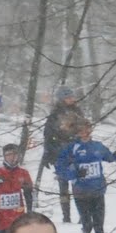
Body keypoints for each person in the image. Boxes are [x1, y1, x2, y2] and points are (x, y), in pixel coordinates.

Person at [54, 123, 116, 233]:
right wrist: (74, 174)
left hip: (98, 192)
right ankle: (85, 231)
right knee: (88, 223)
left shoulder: (97, 146)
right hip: (81, 193)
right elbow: (59, 167)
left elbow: (109, 157)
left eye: (87, 129)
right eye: (82, 130)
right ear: (77, 132)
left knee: (99, 229)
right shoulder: (71, 148)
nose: (85, 132)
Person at [40, 87, 89, 222]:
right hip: (60, 154)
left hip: (76, 153)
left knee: (78, 185)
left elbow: (85, 131)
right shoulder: (55, 114)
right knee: (63, 186)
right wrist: (47, 153)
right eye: (68, 97)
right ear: (62, 99)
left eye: (72, 97)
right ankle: (66, 216)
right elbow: (48, 135)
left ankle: (82, 215)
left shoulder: (78, 112)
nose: (72, 99)